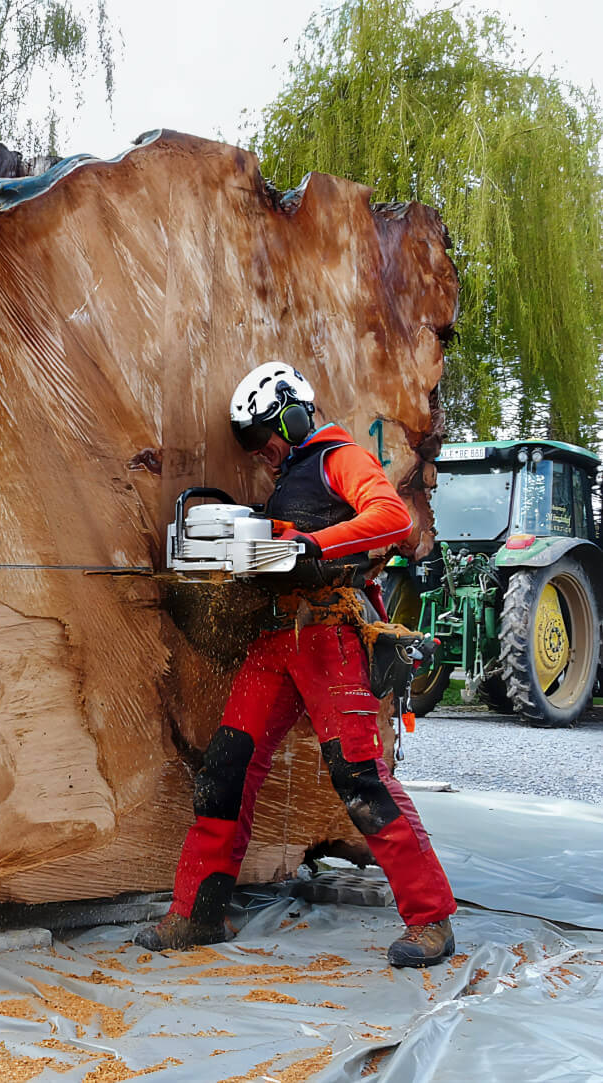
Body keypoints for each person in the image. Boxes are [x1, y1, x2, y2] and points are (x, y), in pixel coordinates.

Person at [135, 362, 458, 968]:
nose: (262, 452)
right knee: (226, 767)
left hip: (329, 637)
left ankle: (431, 918)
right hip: (275, 639)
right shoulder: (288, 480)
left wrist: (310, 544)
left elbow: (392, 518)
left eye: (265, 437)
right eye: (253, 445)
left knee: (359, 778)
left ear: (292, 413)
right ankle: (199, 913)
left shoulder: (339, 457)